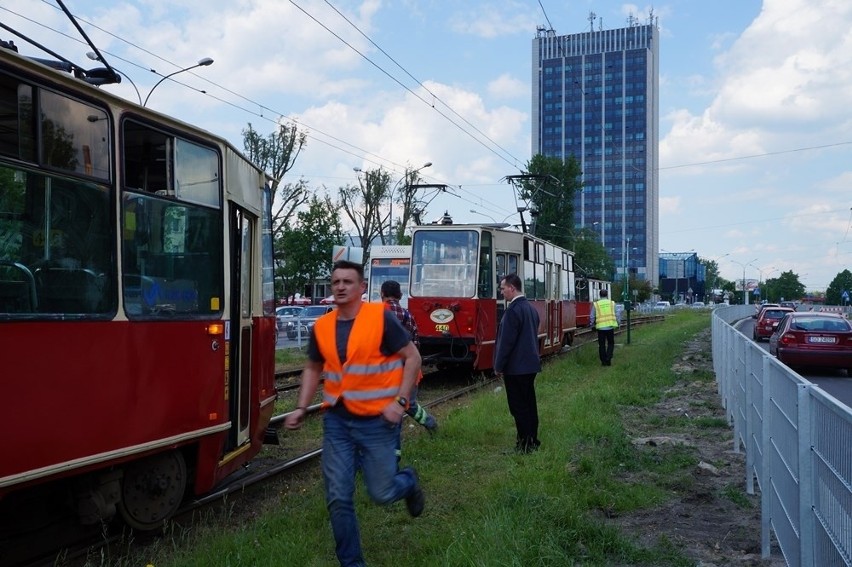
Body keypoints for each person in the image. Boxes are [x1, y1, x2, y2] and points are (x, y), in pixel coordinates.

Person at [284, 260, 424, 567]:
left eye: (348, 282)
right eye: (336, 282)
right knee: (338, 497)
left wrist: (400, 403)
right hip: (338, 421)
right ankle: (352, 563)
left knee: (382, 492)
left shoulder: (380, 318)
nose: (341, 287)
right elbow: (312, 367)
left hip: (377, 420)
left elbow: (412, 358)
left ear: (362, 288)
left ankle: (409, 481)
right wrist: (299, 407)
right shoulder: (322, 326)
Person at [380, 280, 438, 433]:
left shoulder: (378, 313)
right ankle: (430, 423)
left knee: (390, 405)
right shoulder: (408, 315)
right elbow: (416, 343)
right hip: (409, 368)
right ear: (400, 295)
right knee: (407, 403)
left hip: (387, 370)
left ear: (382, 293)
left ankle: (393, 447)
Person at [493, 273, 542, 454]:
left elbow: (506, 343)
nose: (502, 292)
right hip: (530, 365)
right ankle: (532, 440)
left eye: (503, 288)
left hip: (516, 368)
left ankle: (524, 446)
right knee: (529, 404)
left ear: (512, 288)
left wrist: (498, 366)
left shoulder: (513, 311)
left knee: (518, 407)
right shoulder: (530, 308)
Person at [590, 289, 621, 366]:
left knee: (601, 345)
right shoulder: (612, 303)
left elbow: (592, 316)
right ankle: (608, 358)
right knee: (611, 343)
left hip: (600, 328)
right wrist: (618, 323)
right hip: (610, 327)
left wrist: (592, 325)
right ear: (607, 295)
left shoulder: (596, 304)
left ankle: (603, 361)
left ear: (600, 295)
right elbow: (617, 314)